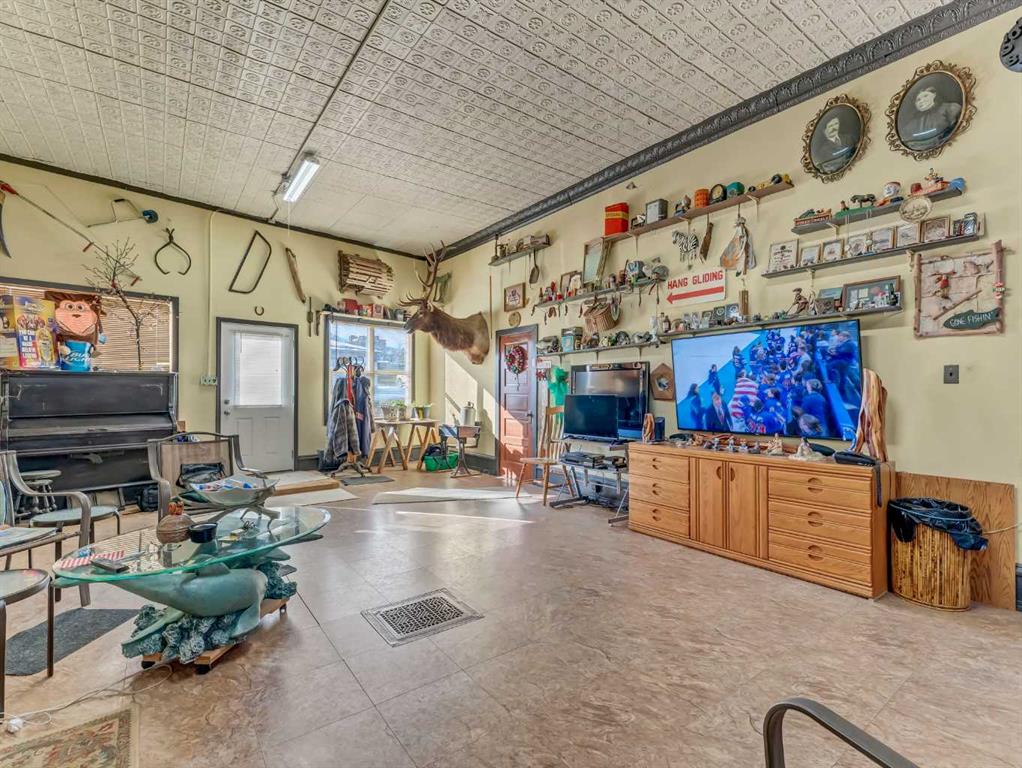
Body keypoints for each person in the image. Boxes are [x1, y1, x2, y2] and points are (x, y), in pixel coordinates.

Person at [902, 84, 962, 151]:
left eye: (925, 96)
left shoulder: (950, 108)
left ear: (934, 95)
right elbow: (907, 139)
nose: (922, 101)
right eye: (918, 100)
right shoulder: (913, 123)